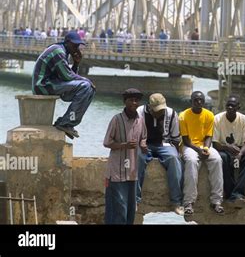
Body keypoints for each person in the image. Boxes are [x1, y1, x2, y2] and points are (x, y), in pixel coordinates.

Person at [32, 31, 95, 139]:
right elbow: (67, 76)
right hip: (43, 86)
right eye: (74, 45)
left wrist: (76, 63)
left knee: (88, 90)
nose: (76, 48)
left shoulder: (62, 50)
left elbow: (66, 77)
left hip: (52, 84)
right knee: (86, 86)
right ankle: (66, 123)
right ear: (67, 43)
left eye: (78, 45)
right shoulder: (58, 52)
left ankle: (67, 122)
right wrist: (87, 80)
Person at [103, 88, 147, 224]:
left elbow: (143, 137)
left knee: (130, 209)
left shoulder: (140, 120)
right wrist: (125, 145)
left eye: (136, 100)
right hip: (117, 172)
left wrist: (143, 145)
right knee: (118, 208)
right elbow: (107, 143)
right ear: (125, 101)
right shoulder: (116, 119)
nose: (134, 103)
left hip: (132, 172)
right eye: (131, 100)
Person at [136, 93, 184, 215]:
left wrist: (178, 153)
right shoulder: (140, 111)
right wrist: (141, 142)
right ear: (150, 108)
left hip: (164, 144)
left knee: (174, 159)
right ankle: (135, 199)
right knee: (138, 159)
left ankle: (176, 202)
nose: (160, 112)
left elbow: (175, 137)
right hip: (144, 143)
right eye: (157, 110)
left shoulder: (171, 113)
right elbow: (135, 132)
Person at [179, 91, 224, 215]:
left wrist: (206, 149)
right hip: (189, 146)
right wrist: (199, 150)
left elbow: (209, 136)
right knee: (192, 161)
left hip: (204, 145)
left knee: (217, 160)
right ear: (191, 102)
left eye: (201, 100)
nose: (199, 102)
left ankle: (216, 201)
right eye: (196, 100)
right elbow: (186, 140)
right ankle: (189, 202)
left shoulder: (209, 115)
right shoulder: (183, 116)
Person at [212, 96, 245, 208]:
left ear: (238, 107)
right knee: (223, 158)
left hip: (240, 149)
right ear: (225, 106)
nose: (230, 107)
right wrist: (227, 147)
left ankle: (237, 194)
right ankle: (230, 193)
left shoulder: (244, 119)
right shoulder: (217, 118)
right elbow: (215, 143)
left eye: (233, 105)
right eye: (228, 105)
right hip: (224, 148)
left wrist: (240, 154)